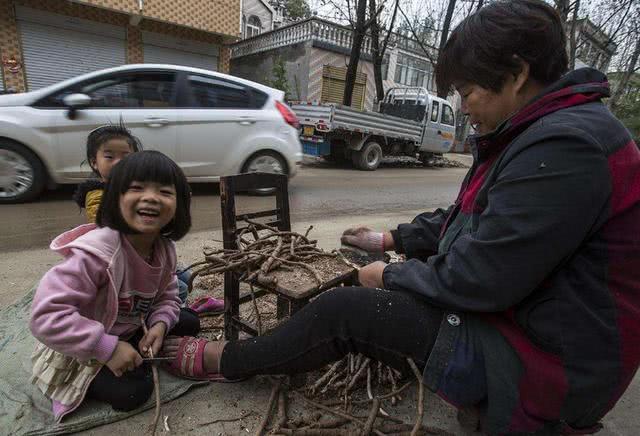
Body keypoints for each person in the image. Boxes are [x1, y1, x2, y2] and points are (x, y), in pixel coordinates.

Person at [162, 0, 640, 433]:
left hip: (551, 361)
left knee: (341, 311)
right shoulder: (539, 130)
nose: (463, 107)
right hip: (530, 321)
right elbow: (468, 220)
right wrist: (390, 238)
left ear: (516, 73)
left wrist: (391, 275)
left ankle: (230, 358)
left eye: (468, 91)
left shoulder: (565, 147)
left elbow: (480, 278)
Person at [30, 151, 199, 422]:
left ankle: (136, 343)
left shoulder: (164, 250)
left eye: (165, 192)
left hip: (130, 325)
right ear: (114, 199)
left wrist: (159, 325)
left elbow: (168, 295)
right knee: (134, 391)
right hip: (81, 343)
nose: (151, 197)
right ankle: (111, 359)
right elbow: (45, 317)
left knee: (189, 321)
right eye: (136, 188)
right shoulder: (96, 255)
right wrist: (106, 348)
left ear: (180, 206)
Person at [71, 124, 204, 306]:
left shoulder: (165, 248)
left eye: (126, 157)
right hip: (121, 259)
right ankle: (172, 313)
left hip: (147, 251)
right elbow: (109, 225)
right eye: (109, 157)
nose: (118, 162)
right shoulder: (96, 197)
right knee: (179, 289)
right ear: (94, 162)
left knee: (184, 276)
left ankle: (172, 312)